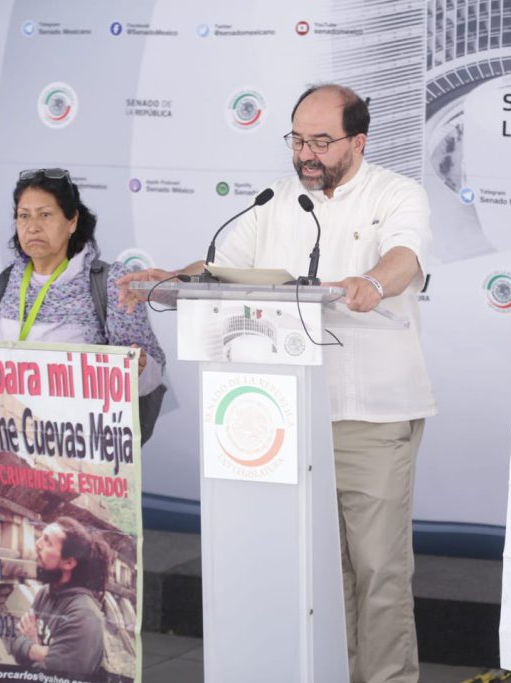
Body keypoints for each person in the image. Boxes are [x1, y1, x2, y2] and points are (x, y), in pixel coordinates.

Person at [119, 84, 435, 683]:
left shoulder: (398, 194)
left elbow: (406, 257)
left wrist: (371, 281)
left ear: (357, 141)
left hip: (371, 414)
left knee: (378, 570)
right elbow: (218, 268)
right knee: (319, 569)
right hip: (288, 416)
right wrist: (171, 278)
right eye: (297, 140)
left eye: (321, 141)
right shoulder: (273, 201)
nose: (306, 154)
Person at [0, 168, 166, 440]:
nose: (33, 226)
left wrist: (139, 367)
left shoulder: (110, 282)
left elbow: (151, 368)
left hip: (84, 452)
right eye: (24, 216)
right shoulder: (7, 282)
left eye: (45, 215)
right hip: (12, 444)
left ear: (72, 221)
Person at [10, 516, 110, 676]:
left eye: (47, 542)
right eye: (41, 537)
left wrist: (30, 647)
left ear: (69, 563)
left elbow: (49, 676)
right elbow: (14, 640)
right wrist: (40, 651)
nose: (37, 544)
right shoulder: (46, 593)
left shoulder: (84, 616)